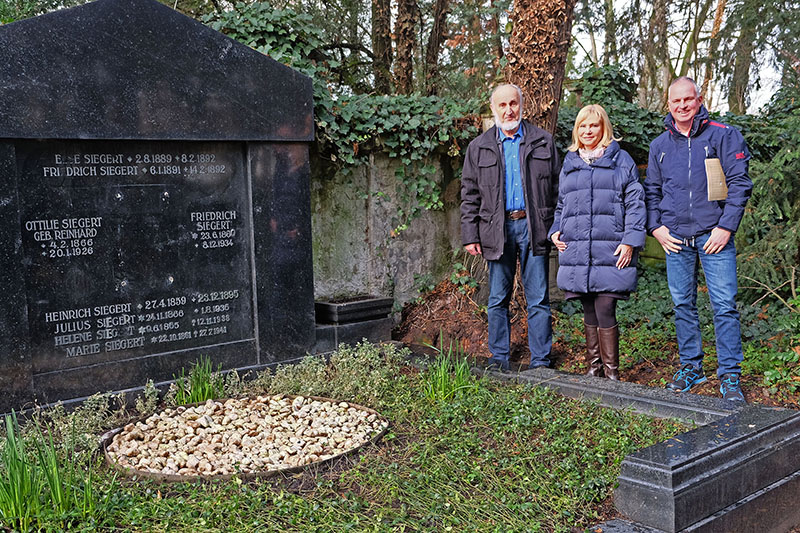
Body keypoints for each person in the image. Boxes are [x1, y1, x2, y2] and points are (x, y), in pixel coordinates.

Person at [644, 76, 752, 402]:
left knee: (724, 306)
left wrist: (726, 227)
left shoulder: (723, 135)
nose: (682, 106)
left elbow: (740, 184)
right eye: (676, 101)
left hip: (714, 236)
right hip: (675, 238)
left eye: (688, 99)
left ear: (699, 98)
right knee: (682, 305)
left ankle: (730, 375)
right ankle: (691, 367)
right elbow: (651, 192)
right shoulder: (660, 146)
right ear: (668, 103)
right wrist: (656, 228)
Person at [460, 84, 560, 371]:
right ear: (493, 109)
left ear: (522, 105)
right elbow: (469, 194)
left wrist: (554, 226)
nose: (508, 110)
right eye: (502, 105)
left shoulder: (543, 141)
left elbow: (556, 188)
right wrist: (471, 234)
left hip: (533, 227)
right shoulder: (478, 147)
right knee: (497, 297)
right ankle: (500, 357)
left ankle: (540, 360)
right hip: (496, 229)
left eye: (513, 104)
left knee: (539, 297)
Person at [548, 104, 646, 380]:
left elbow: (636, 204)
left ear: (604, 128)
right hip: (578, 247)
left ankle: (612, 373)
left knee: (606, 305)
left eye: (593, 125)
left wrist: (630, 241)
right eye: (583, 126)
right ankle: (594, 370)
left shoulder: (621, 160)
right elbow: (562, 204)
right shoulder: (570, 162)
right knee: (588, 306)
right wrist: (555, 230)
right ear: (576, 130)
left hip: (611, 246)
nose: (588, 130)